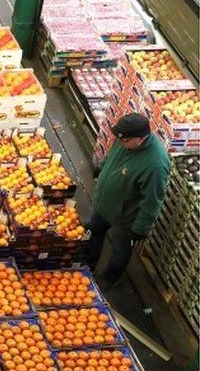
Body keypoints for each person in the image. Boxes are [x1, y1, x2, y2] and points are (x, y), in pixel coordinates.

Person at [86, 113, 170, 291]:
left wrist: (141, 228)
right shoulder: (125, 138)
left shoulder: (155, 165)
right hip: (104, 203)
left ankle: (111, 277)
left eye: (125, 141)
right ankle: (87, 264)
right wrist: (101, 167)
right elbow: (113, 154)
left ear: (140, 139)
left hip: (125, 215)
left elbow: (153, 200)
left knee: (121, 248)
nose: (120, 142)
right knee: (94, 232)